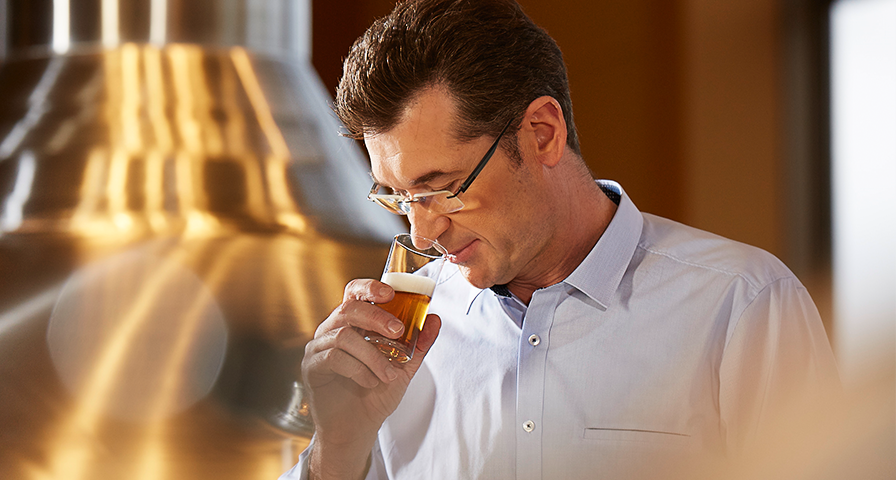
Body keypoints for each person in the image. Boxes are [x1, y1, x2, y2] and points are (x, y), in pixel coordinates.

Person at [281, 0, 841, 478]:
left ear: (542, 134)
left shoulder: (742, 305)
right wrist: (337, 449)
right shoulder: (389, 344)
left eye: (444, 189)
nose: (421, 232)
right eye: (398, 199)